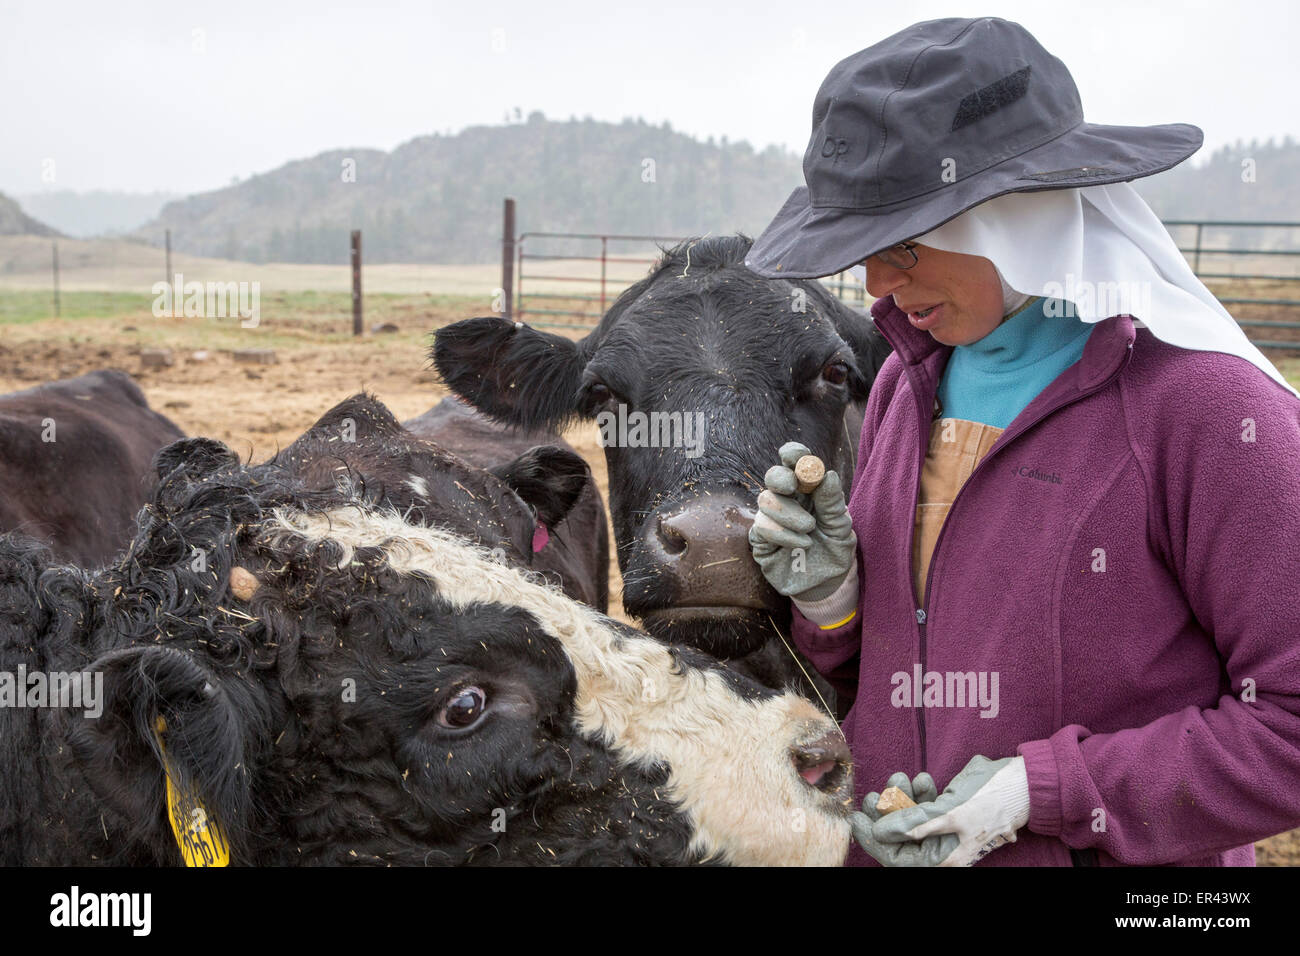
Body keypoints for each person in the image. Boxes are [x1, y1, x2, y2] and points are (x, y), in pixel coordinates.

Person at [745, 16, 1300, 867]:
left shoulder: (1209, 412)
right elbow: (903, 672)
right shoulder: (908, 380)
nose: (877, 284)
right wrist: (835, 602)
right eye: (862, 249)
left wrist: (1039, 796)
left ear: (1020, 216)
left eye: (903, 243)